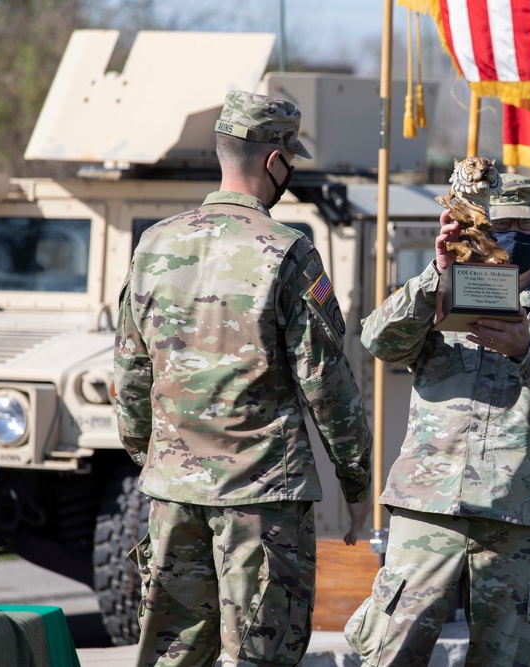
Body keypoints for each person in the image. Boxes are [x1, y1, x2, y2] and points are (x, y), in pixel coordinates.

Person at [113, 90, 373, 667]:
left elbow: (131, 370)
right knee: (261, 656)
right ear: (274, 161)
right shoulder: (289, 253)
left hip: (171, 496)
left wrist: (152, 458)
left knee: (173, 657)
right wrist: (357, 484)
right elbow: (327, 384)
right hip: (260, 502)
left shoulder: (153, 244)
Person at [345, 174, 530, 666]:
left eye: (519, 225)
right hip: (430, 509)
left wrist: (528, 352)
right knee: (391, 652)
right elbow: (378, 341)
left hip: (517, 516)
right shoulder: (440, 298)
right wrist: (436, 275)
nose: (507, 234)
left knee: (511, 659)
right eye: (496, 224)